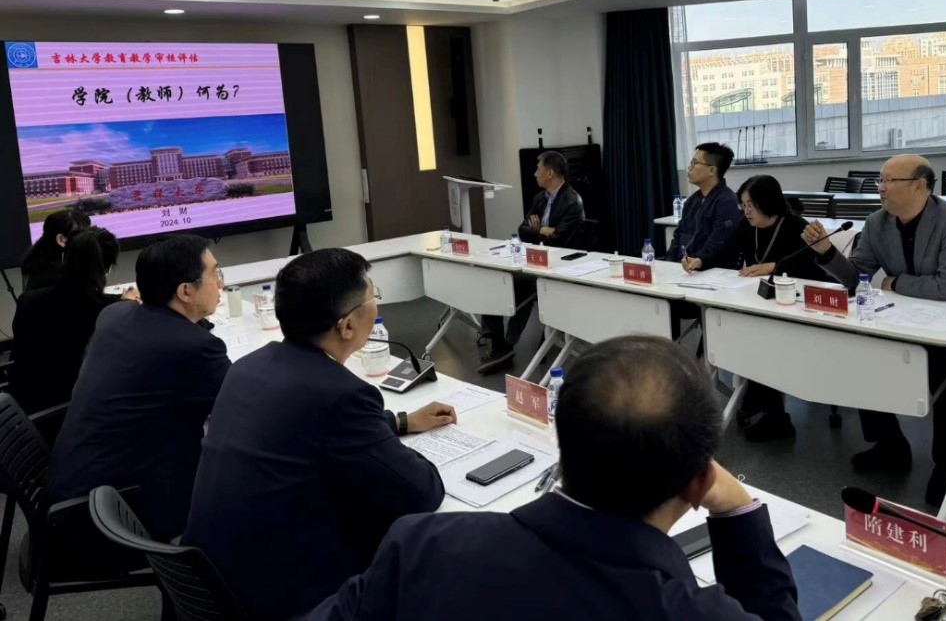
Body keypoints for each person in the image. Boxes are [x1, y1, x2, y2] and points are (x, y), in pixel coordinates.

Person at [309, 335, 800, 621]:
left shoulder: (421, 545)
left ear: (563, 442)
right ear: (699, 485)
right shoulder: (690, 611)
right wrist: (740, 515)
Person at [183, 249, 453, 620]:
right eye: (372, 297)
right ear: (347, 326)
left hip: (209, 580)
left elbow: (303, 427)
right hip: (284, 597)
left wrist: (400, 422)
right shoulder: (340, 395)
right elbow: (420, 492)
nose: (376, 304)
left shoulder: (248, 367)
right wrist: (388, 442)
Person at [801, 155, 946, 507]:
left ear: (920, 186)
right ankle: (889, 444)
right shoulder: (877, 222)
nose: (881, 188)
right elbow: (856, 277)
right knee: (865, 358)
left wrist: (896, 282)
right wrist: (827, 253)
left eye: (890, 180)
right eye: (880, 180)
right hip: (910, 323)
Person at [47, 234, 229, 541]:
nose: (220, 283)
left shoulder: (116, 314)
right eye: (214, 274)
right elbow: (247, 410)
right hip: (109, 517)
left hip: (69, 489)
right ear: (185, 291)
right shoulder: (194, 348)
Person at [690, 175, 831, 441]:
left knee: (759, 338)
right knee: (724, 324)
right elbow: (725, 250)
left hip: (794, 305)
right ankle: (727, 391)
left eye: (751, 205)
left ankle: (767, 411)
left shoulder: (796, 226)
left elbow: (813, 271)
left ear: (768, 202)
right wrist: (700, 261)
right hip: (758, 303)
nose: (746, 211)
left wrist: (775, 267)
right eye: (743, 204)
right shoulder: (747, 226)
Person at [10, 227, 139, 420]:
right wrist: (128, 304)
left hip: (23, 413)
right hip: (71, 415)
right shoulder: (110, 312)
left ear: (64, 259)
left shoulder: (27, 301)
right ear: (108, 268)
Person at [478, 150, 585, 374]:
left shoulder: (572, 201)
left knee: (522, 287)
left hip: (558, 267)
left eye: (538, 169)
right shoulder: (540, 198)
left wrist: (537, 231)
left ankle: (506, 346)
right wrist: (541, 230)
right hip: (534, 261)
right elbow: (522, 230)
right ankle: (497, 341)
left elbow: (560, 239)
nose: (535, 173)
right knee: (496, 280)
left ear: (549, 172)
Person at [667, 143, 743, 270]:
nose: (690, 167)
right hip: (686, 269)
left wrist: (697, 261)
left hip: (712, 270)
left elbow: (717, 244)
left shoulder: (727, 202)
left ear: (711, 170)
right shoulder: (692, 201)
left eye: (694, 163)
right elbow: (678, 236)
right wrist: (668, 263)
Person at [20, 208, 91, 292]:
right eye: (83, 235)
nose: (90, 240)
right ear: (61, 240)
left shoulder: (40, 263)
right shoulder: (63, 278)